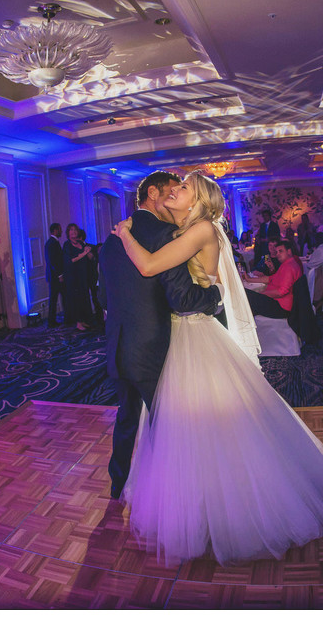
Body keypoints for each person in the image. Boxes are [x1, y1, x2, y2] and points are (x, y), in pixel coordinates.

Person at [114, 170, 323, 565]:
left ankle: (224, 511)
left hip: (196, 335)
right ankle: (201, 506)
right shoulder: (195, 229)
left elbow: (150, 267)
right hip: (186, 334)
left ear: (198, 200)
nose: (175, 190)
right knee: (193, 428)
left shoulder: (201, 229)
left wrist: (124, 233)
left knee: (205, 426)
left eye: (183, 188)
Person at [100, 170, 224, 502]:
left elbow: (103, 299)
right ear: (153, 194)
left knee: (126, 418)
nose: (173, 197)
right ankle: (174, 498)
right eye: (172, 190)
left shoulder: (112, 238)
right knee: (168, 425)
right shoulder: (166, 234)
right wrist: (214, 297)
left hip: (117, 347)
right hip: (154, 349)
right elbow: (181, 298)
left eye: (182, 191)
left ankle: (118, 484)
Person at [242, 238, 303, 319]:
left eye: (280, 251)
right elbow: (270, 278)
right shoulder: (286, 264)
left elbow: (281, 292)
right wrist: (249, 279)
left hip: (281, 307)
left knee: (244, 294)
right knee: (246, 297)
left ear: (289, 251)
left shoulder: (289, 266)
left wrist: (262, 293)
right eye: (277, 252)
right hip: (279, 303)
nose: (277, 254)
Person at [62, 223, 93, 331]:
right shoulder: (67, 245)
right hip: (73, 277)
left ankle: (84, 320)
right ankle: (78, 322)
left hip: (83, 275)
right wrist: (84, 253)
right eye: (71, 230)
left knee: (84, 297)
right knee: (76, 299)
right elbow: (70, 261)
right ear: (68, 233)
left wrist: (88, 252)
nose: (73, 232)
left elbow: (91, 258)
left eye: (75, 230)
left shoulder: (81, 243)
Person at [44, 223, 64, 327]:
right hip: (55, 276)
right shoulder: (52, 243)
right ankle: (51, 321)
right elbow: (53, 261)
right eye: (60, 229)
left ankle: (52, 320)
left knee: (54, 298)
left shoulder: (51, 242)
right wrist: (60, 275)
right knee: (54, 299)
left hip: (53, 275)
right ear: (55, 231)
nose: (61, 231)